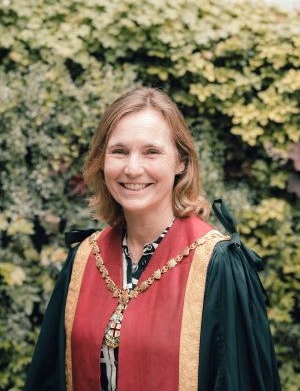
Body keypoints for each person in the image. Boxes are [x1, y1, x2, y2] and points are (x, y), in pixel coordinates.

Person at [24, 87, 282, 391]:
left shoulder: (219, 265)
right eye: (119, 151)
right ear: (102, 160)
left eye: (152, 152)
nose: (133, 169)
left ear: (181, 162)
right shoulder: (84, 259)